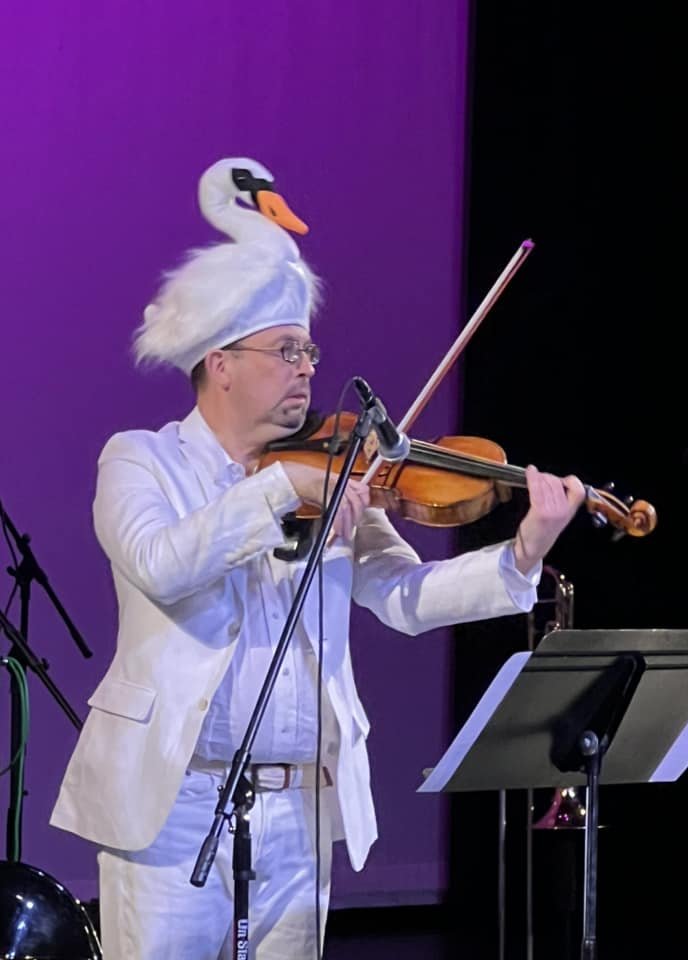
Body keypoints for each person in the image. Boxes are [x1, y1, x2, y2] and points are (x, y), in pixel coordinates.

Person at [50, 156, 586, 960]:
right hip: (176, 801)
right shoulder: (140, 460)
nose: (307, 369)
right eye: (286, 351)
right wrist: (281, 489)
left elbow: (404, 596)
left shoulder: (333, 473)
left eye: (309, 352)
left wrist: (522, 552)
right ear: (220, 362)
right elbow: (162, 565)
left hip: (302, 806)